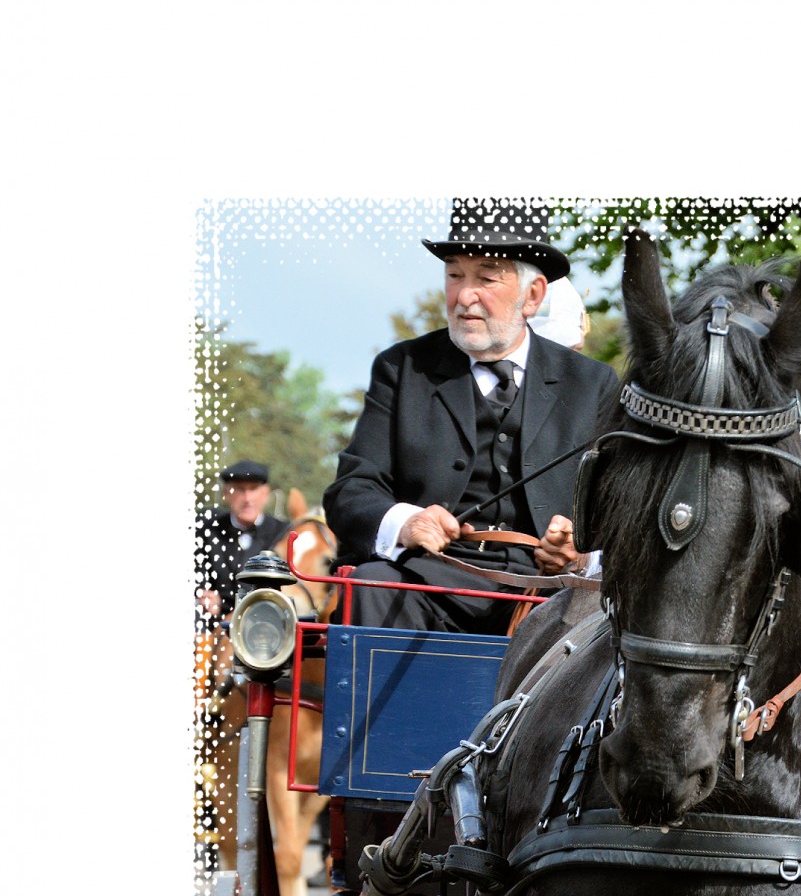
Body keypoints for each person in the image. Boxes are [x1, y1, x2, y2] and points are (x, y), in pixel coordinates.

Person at [323, 201, 620, 633]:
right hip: (425, 582)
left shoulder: (593, 384)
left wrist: (582, 553)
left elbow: (622, 507)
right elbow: (351, 490)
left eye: (486, 277)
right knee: (372, 584)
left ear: (532, 295)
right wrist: (407, 522)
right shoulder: (402, 369)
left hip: (549, 595)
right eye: (455, 275)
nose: (464, 296)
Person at [195, 461, 289, 620]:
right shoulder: (206, 528)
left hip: (263, 622)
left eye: (253, 489)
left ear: (266, 493)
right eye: (240, 490)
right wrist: (202, 592)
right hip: (213, 621)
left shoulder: (283, 533)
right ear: (226, 493)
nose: (247, 498)